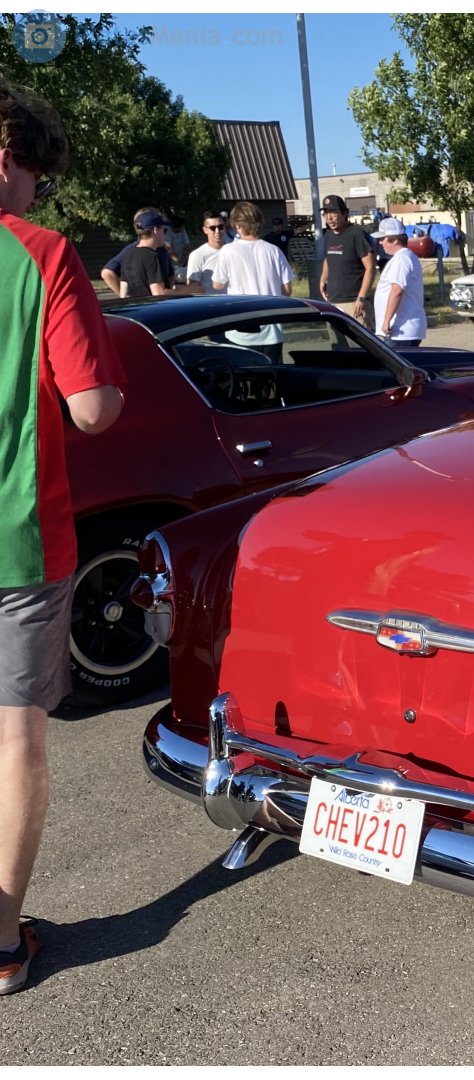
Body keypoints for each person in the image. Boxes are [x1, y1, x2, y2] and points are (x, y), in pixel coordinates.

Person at [0, 80, 125, 997]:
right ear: (9, 158)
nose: (41, 193)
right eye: (40, 173)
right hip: (17, 544)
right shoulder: (41, 257)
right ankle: (4, 945)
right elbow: (90, 409)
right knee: (15, 744)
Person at [211, 200, 292, 362]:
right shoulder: (274, 251)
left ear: (237, 225)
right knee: (272, 380)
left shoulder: (228, 251)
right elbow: (287, 291)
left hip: (239, 327)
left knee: (244, 379)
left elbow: (217, 284)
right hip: (271, 330)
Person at [318, 193, 376, 328]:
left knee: (359, 347)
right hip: (333, 303)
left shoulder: (356, 233)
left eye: (334, 212)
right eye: (326, 213)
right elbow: (328, 258)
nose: (329, 217)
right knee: (337, 346)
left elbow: (370, 268)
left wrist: (361, 298)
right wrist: (323, 279)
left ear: (345, 213)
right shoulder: (328, 235)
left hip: (354, 302)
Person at [373, 217, 426, 346]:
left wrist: (386, 321)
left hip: (400, 331)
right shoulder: (406, 257)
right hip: (403, 329)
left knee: (398, 365)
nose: (380, 243)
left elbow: (397, 290)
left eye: (383, 239)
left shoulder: (401, 260)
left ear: (395, 239)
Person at [99, 208, 175, 296]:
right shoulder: (148, 255)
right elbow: (158, 293)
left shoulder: (130, 254)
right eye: (163, 230)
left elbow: (170, 277)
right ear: (155, 230)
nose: (165, 234)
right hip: (153, 307)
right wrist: (188, 290)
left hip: (145, 306)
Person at [183, 209, 227, 294]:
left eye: (220, 227)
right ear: (205, 230)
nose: (217, 231)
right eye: (213, 228)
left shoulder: (232, 250)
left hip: (233, 302)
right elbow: (193, 287)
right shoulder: (197, 255)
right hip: (210, 304)